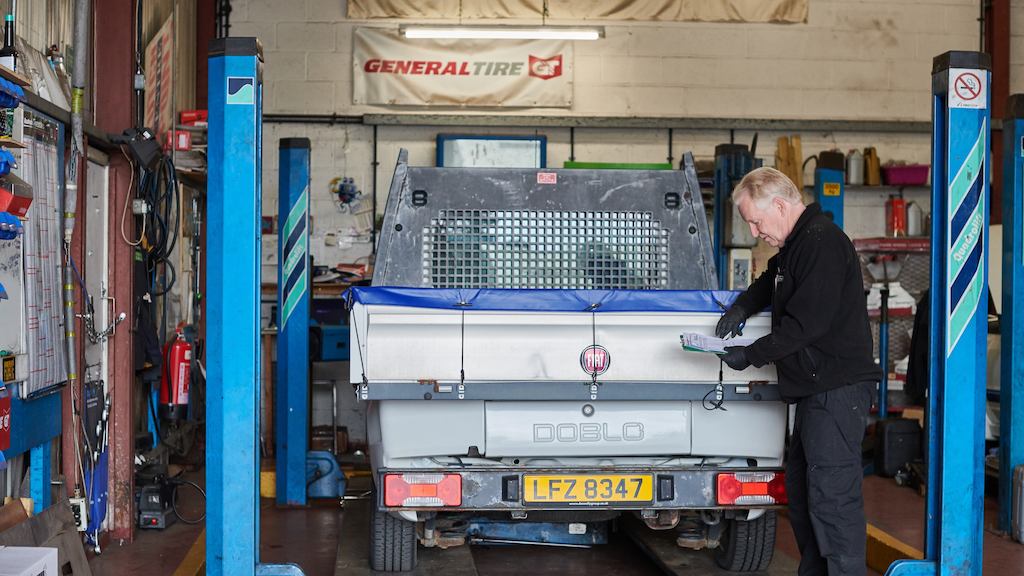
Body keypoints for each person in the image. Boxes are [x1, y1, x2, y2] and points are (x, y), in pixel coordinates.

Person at [715, 167, 880, 576]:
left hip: (837, 391)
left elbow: (805, 326)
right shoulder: (798, 245)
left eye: (755, 220)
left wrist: (749, 354)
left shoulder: (822, 243)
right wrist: (742, 307)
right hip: (815, 391)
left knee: (832, 500)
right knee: (806, 498)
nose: (754, 231)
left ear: (781, 205)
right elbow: (770, 279)